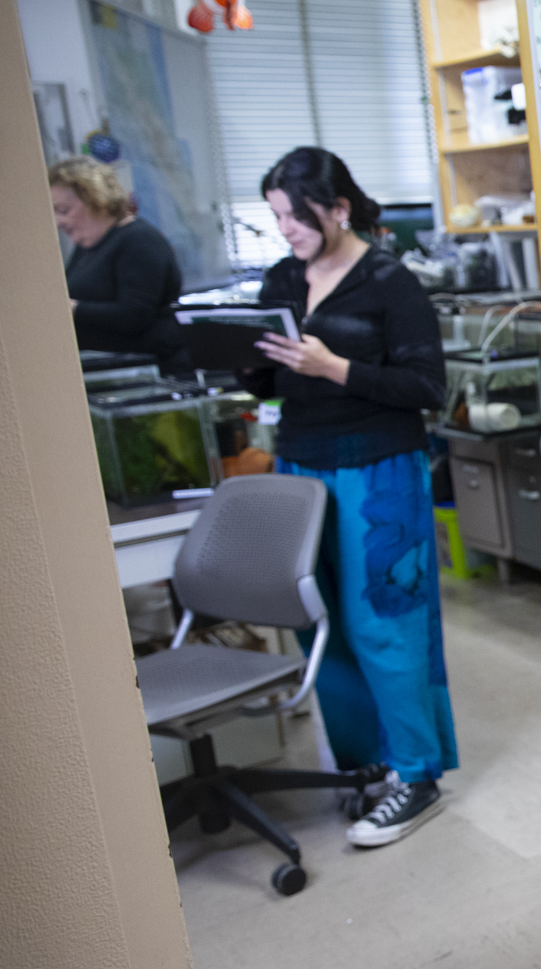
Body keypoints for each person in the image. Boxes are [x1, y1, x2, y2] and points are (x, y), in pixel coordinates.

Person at [239, 147, 458, 848]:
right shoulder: (282, 277)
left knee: (384, 622)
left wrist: (335, 367)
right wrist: (246, 359)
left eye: (295, 217)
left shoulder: (390, 283)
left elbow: (426, 389)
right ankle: (361, 767)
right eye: (275, 217)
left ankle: (416, 774)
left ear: (337, 209)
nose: (285, 232)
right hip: (301, 466)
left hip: (379, 470)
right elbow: (268, 383)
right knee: (317, 621)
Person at [49, 157, 188, 374]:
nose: (58, 222)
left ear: (96, 199)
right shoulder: (88, 245)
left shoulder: (139, 240)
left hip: (146, 374)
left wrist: (73, 308)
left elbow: (135, 315)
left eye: (64, 210)